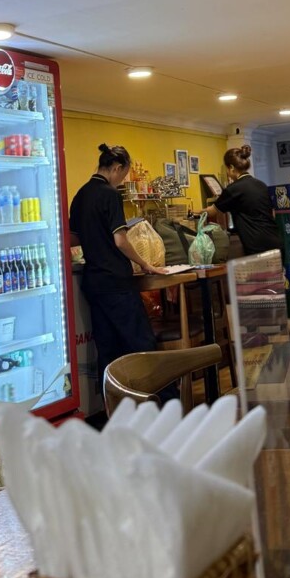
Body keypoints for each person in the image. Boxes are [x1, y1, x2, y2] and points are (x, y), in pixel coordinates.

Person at [69, 143, 171, 396]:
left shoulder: (80, 195)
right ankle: (162, 403)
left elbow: (72, 239)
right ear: (116, 168)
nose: (122, 180)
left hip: (93, 284)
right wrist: (146, 264)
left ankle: (113, 408)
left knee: (108, 350)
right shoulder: (110, 194)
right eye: (123, 175)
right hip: (116, 282)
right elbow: (120, 240)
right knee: (141, 344)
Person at [201, 145, 280, 256]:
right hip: (275, 242)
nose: (227, 173)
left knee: (258, 273)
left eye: (227, 169)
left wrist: (193, 212)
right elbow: (272, 213)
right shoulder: (261, 185)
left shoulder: (233, 189)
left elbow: (212, 211)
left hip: (256, 245)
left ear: (231, 167)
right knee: (276, 273)